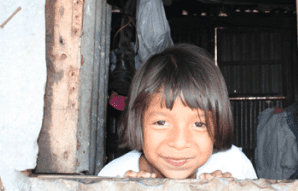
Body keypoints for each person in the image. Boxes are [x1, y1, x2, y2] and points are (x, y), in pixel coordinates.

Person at [98, 43, 257, 179]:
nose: (179, 143)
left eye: (199, 124)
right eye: (161, 122)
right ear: (138, 123)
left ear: (218, 127)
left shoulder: (234, 167)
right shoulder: (112, 177)